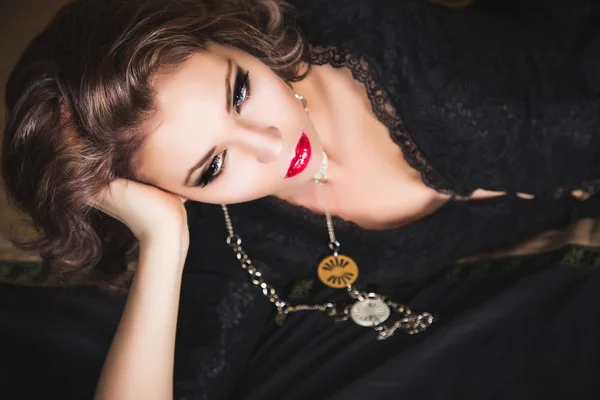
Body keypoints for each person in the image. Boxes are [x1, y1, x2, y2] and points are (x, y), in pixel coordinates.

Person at [1, 0, 600, 398]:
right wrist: (162, 242)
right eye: (211, 165)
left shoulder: (422, 74)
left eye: (240, 91)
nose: (269, 144)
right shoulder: (235, 230)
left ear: (232, 38)